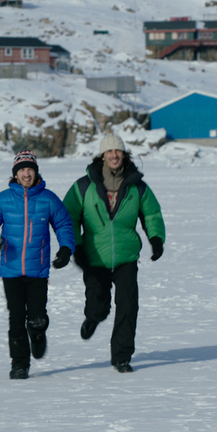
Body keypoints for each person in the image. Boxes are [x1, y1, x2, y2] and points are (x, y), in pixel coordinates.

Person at [63, 133, 166, 374]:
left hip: (126, 256)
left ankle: (121, 357)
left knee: (128, 305)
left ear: (124, 154)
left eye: (117, 151)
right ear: (102, 156)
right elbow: (68, 216)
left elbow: (152, 214)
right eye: (109, 152)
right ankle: (93, 318)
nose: (114, 155)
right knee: (99, 305)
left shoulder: (137, 186)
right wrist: (75, 246)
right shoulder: (83, 186)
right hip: (94, 255)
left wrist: (156, 238)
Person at [0, 151, 75, 380]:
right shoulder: (3, 199)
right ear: (15, 174)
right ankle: (19, 363)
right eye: (22, 170)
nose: (26, 173)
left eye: (30, 169)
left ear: (36, 172)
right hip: (11, 270)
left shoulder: (48, 199)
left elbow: (64, 225)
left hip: (38, 270)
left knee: (37, 318)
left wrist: (67, 248)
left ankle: (38, 334)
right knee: (16, 318)